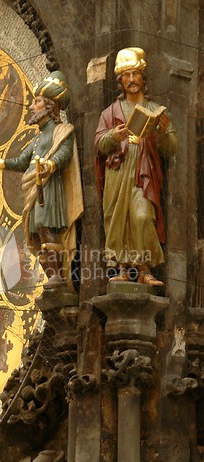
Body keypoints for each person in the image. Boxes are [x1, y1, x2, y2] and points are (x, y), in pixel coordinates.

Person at [0, 71, 83, 289]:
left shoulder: (62, 130)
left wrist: (50, 165)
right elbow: (22, 160)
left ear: (49, 107)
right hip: (37, 191)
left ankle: (58, 275)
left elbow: (64, 153)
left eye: (36, 102)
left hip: (50, 189)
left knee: (48, 229)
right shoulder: (37, 139)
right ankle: (51, 274)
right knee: (37, 233)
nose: (32, 107)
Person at [95, 47, 178, 285]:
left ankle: (144, 269)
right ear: (120, 81)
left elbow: (171, 147)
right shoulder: (109, 112)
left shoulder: (155, 110)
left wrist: (162, 131)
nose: (131, 79)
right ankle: (122, 268)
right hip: (117, 172)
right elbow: (99, 145)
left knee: (142, 216)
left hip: (144, 171)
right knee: (117, 218)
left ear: (143, 77)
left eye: (135, 74)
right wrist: (113, 135)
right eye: (126, 75)